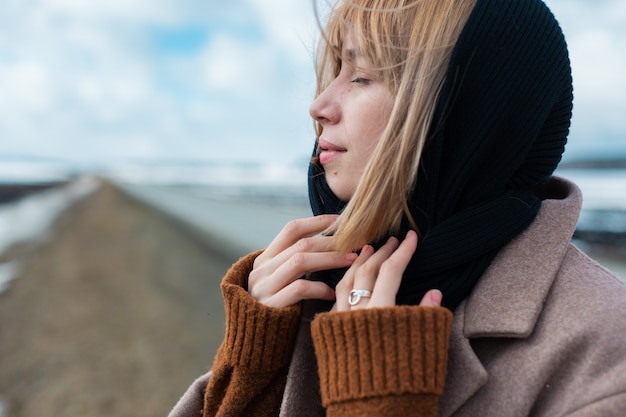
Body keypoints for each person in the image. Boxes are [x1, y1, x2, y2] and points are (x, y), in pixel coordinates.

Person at [169, 0, 626, 415]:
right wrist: (250, 368)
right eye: (335, 72)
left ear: (464, 109)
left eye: (362, 76)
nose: (318, 106)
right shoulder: (307, 286)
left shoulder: (604, 351)